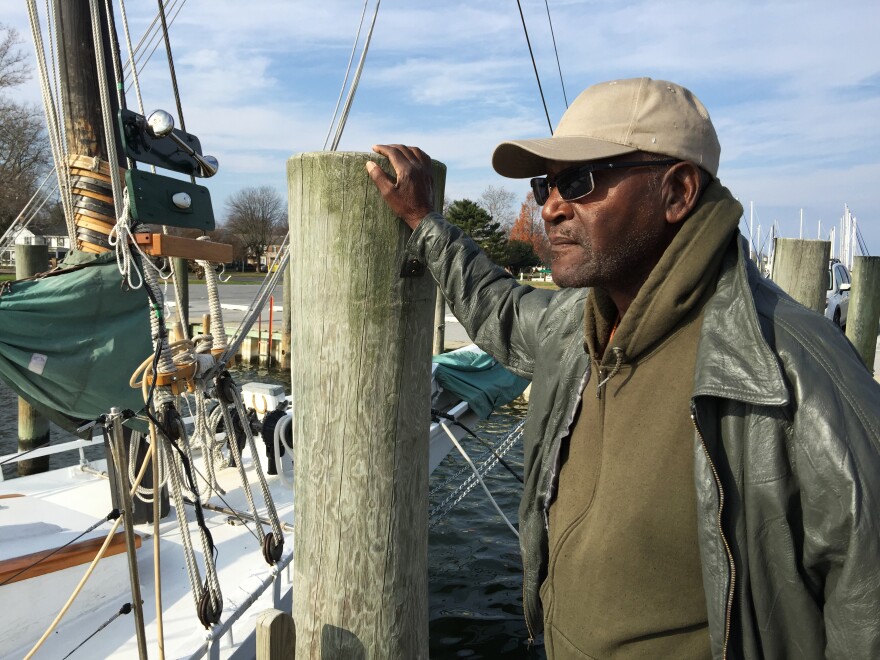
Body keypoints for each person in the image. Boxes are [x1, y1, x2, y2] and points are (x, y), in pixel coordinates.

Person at [366, 77, 880, 659]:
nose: (552, 207)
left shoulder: (793, 368)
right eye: (546, 185)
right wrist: (425, 223)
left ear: (678, 192)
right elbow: (501, 309)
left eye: (580, 181)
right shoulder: (574, 326)